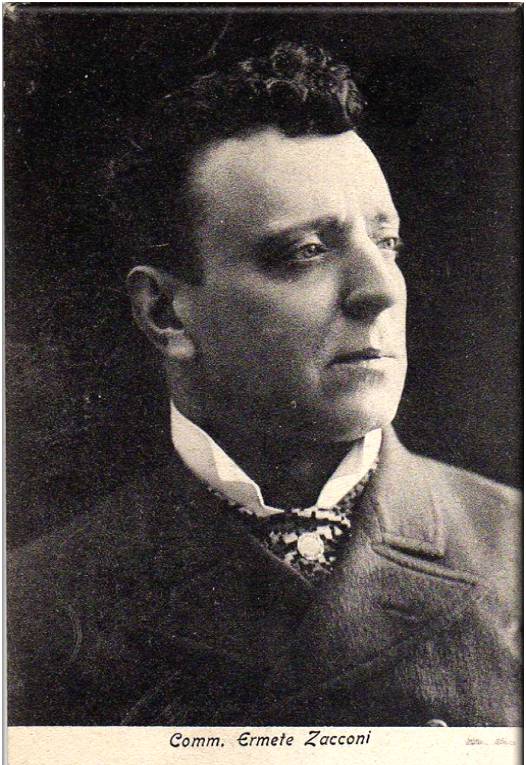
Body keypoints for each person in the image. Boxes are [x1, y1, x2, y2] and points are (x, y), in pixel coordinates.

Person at [8, 42, 520, 727]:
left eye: (387, 243)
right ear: (165, 313)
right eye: (306, 251)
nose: (380, 290)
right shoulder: (31, 608)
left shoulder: (513, 551)